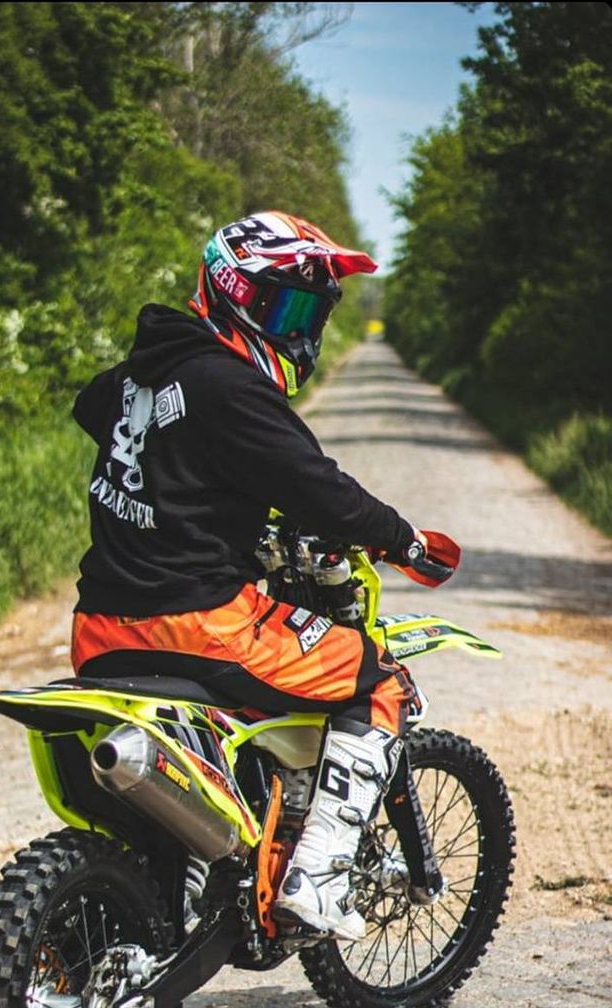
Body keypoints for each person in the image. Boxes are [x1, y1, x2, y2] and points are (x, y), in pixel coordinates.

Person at [71, 210, 440, 942]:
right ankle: (319, 878)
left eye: (310, 312)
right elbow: (319, 488)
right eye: (284, 307)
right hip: (201, 623)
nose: (298, 329)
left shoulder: (129, 380)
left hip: (100, 628)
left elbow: (137, 444)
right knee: (379, 681)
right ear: (232, 292)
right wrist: (404, 540)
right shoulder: (229, 387)